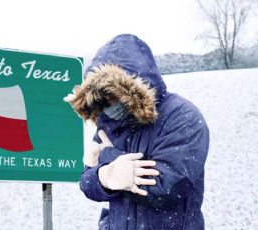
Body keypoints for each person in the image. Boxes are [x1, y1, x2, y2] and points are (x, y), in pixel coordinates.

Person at [64, 34, 209, 230]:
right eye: (103, 98)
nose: (109, 105)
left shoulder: (182, 116)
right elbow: (86, 183)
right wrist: (105, 177)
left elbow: (166, 188)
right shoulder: (108, 123)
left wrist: (110, 158)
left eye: (114, 95)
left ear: (133, 88)